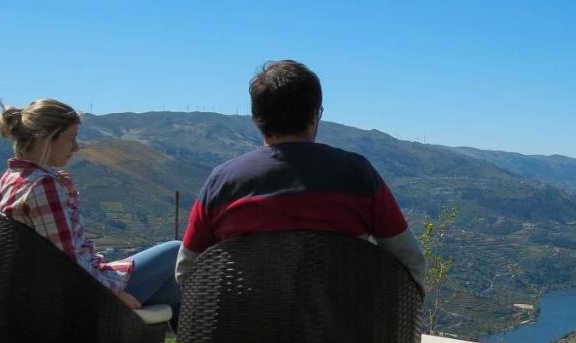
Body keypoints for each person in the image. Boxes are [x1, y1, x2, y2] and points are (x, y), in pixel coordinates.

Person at [176, 60, 426, 290]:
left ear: (257, 119)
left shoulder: (222, 183)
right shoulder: (358, 175)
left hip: (246, 335)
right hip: (340, 336)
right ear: (315, 115)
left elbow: (187, 271)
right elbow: (410, 262)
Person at [0, 99, 182, 317]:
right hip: (82, 293)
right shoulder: (42, 186)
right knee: (177, 251)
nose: (76, 147)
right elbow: (68, 262)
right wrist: (116, 294)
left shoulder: (10, 180)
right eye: (71, 138)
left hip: (43, 289)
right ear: (45, 137)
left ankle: (185, 336)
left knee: (175, 286)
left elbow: (54, 247)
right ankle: (192, 339)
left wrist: (69, 197)